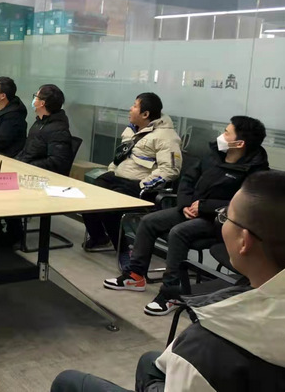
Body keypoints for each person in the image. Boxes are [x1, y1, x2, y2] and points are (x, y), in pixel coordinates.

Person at [52, 170, 285, 392]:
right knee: (150, 361)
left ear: (243, 241)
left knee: (68, 382)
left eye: (225, 216)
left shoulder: (208, 340)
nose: (223, 222)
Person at [104, 116, 269, 316]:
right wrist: (185, 205)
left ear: (239, 143)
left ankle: (171, 293)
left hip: (220, 221)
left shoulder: (256, 172)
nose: (221, 136)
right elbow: (188, 180)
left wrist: (204, 207)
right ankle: (136, 276)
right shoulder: (214, 155)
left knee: (178, 232)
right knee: (148, 222)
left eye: (227, 133)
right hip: (190, 209)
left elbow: (245, 205)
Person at [82, 93, 182, 254]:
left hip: (140, 185)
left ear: (145, 114)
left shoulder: (166, 137)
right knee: (88, 195)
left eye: (135, 106)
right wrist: (112, 171)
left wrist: (144, 185)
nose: (130, 108)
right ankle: (99, 238)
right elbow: (120, 156)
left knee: (110, 207)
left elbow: (170, 169)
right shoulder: (131, 129)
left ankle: (124, 251)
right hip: (119, 177)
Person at [15, 84, 73, 175]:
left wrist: (28, 165)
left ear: (42, 103)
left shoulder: (58, 129)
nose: (34, 99)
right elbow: (27, 151)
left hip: (38, 175)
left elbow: (56, 162)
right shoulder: (40, 122)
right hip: (25, 169)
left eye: (36, 96)